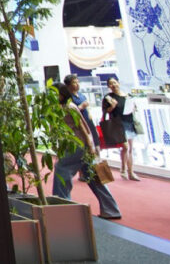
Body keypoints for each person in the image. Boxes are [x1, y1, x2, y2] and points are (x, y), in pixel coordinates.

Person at [51, 82, 121, 220]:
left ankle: (62, 208)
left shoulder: (69, 107)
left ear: (62, 94)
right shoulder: (63, 107)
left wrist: (90, 146)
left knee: (61, 170)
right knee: (94, 177)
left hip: (77, 146)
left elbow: (82, 127)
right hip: (81, 146)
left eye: (54, 93)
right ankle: (111, 209)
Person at [101, 77, 139, 181]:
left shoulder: (128, 96)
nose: (113, 85)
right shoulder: (108, 97)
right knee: (125, 147)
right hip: (117, 123)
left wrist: (133, 108)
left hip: (129, 122)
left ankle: (131, 172)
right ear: (108, 86)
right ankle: (123, 169)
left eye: (114, 82)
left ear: (118, 83)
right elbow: (105, 111)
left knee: (130, 148)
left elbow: (134, 108)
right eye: (111, 83)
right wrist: (112, 106)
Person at [63, 74, 100, 148]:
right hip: (79, 124)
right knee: (86, 144)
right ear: (68, 85)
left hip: (88, 121)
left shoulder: (81, 95)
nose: (77, 84)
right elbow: (69, 111)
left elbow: (87, 107)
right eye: (74, 82)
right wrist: (81, 107)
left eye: (78, 82)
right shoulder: (67, 97)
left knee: (96, 142)